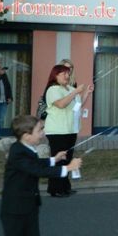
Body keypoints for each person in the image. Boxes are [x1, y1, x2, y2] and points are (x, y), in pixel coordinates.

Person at [0, 115, 82, 236]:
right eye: (39, 130)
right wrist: (68, 168)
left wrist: (54, 159)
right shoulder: (18, 152)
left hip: (29, 205)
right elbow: (36, 169)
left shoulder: (26, 148)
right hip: (15, 209)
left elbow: (35, 163)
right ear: (27, 135)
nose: (43, 133)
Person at [44, 64, 93, 198]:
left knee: (67, 160)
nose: (67, 76)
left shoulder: (70, 88)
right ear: (55, 75)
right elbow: (61, 104)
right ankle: (55, 189)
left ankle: (65, 187)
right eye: (63, 73)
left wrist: (86, 93)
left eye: (68, 73)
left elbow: (78, 105)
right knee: (59, 160)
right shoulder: (52, 89)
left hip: (71, 129)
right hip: (57, 131)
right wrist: (75, 92)